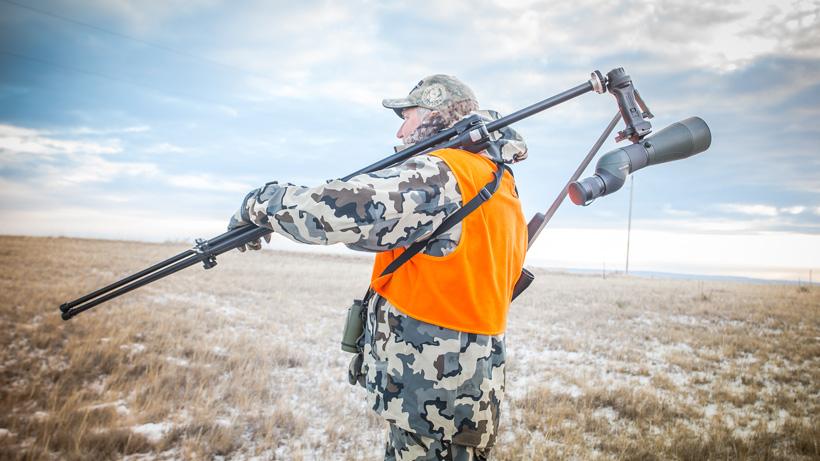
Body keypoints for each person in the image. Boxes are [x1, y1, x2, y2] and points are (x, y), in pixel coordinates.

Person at [228, 74, 529, 461]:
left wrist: (257, 203)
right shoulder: (495, 177)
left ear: (437, 118)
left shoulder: (443, 173)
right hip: (454, 391)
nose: (402, 129)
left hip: (436, 397)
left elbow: (334, 211)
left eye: (409, 116)